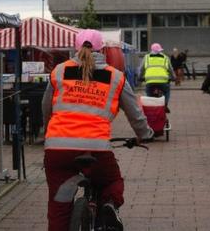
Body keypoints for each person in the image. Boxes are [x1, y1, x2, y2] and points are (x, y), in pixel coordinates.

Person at [42, 29, 154, 231]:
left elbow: (46, 106)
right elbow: (135, 113)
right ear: (102, 49)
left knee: (58, 205)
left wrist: (48, 132)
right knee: (111, 182)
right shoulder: (116, 77)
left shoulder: (59, 71)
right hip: (96, 147)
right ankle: (109, 205)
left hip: (58, 147)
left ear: (76, 48)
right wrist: (144, 134)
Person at [139, 43, 175, 111]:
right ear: (160, 50)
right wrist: (173, 77)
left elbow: (141, 69)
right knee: (166, 91)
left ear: (151, 50)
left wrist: (140, 77)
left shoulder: (146, 57)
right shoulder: (165, 57)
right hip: (163, 80)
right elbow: (170, 69)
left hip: (149, 80)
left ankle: (149, 105)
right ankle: (165, 104)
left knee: (148, 92)